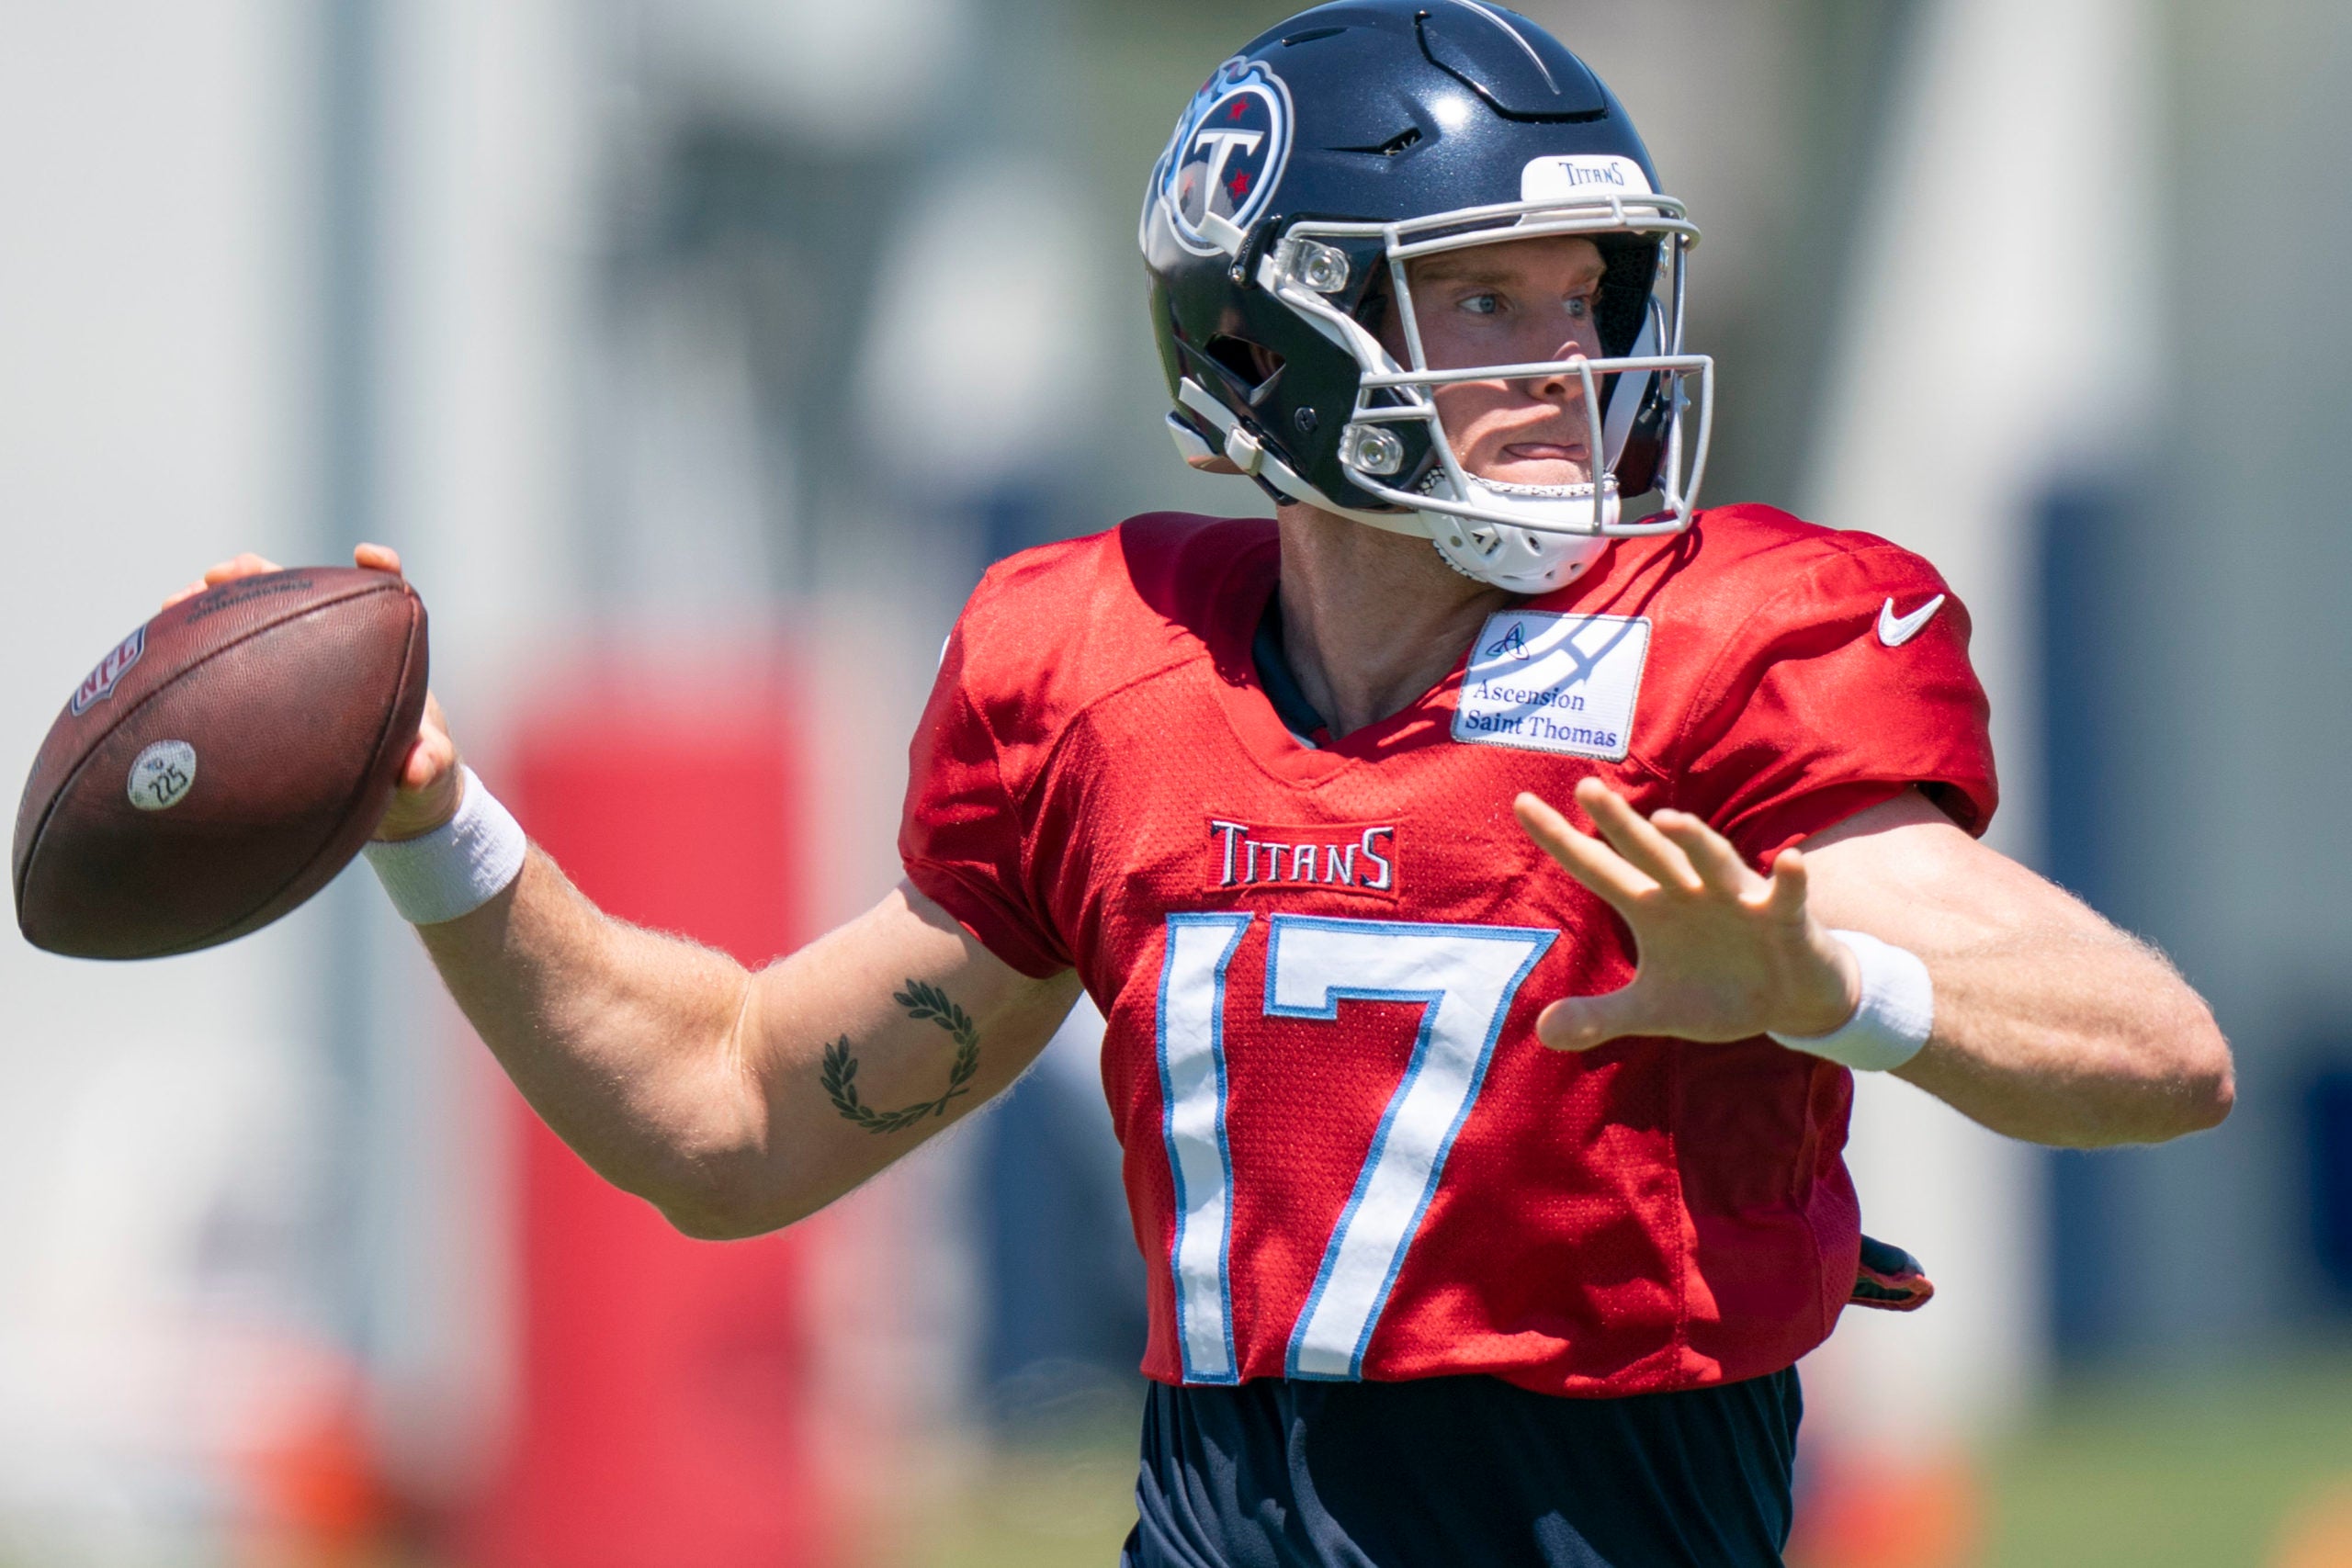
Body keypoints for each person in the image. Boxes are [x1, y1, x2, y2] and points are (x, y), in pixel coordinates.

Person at [180, 3, 2232, 1562]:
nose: (1566, 368)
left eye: (1582, 300)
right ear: (1278, 342)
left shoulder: (1729, 650)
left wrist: (1820, 995)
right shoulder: (1102, 672)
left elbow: (2157, 1051)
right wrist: (429, 815)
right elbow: (726, 1118)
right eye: (1485, 300)